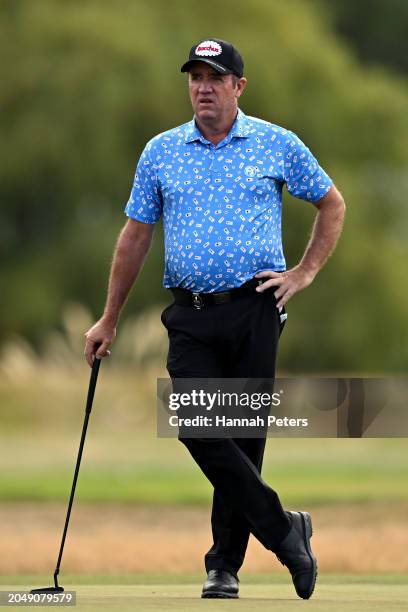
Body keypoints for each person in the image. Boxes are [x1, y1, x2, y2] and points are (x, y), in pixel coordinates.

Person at [84, 38, 345, 600]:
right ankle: (284, 529)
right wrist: (108, 319)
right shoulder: (161, 151)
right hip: (191, 314)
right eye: (195, 77)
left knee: (244, 441)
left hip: (255, 308)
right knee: (197, 424)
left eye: (215, 77)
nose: (203, 87)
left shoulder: (276, 143)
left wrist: (302, 273)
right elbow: (136, 234)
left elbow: (332, 203)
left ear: (238, 87)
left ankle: (224, 566)